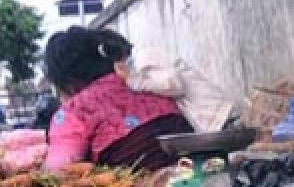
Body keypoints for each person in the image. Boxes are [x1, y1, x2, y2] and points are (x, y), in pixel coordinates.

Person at [43, 26, 193, 171]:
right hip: (193, 163)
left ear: (65, 81)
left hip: (141, 183)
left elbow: (59, 170)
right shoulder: (141, 82)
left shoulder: (74, 110)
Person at [97, 28, 235, 134]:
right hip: (214, 116)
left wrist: (133, 80)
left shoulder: (143, 57)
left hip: (217, 114)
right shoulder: (139, 60)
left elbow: (174, 85)